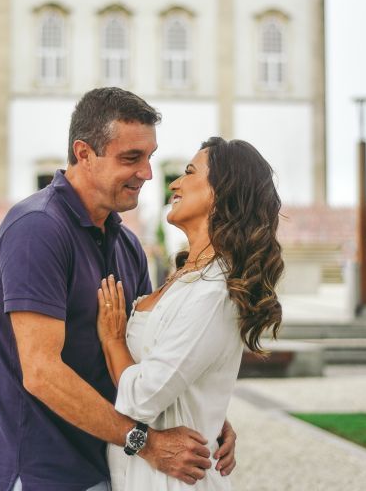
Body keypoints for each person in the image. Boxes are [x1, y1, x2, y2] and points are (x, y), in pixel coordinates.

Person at [0, 89, 237, 491]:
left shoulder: (127, 245)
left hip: (109, 468)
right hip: (41, 473)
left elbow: (150, 355)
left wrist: (207, 416)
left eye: (149, 157)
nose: (148, 174)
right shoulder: (37, 230)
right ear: (83, 154)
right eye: (130, 158)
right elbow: (41, 373)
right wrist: (144, 441)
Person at [97, 136, 285, 490]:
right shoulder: (188, 278)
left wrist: (112, 339)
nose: (174, 183)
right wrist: (212, 414)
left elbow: (140, 399)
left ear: (221, 192)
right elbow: (178, 373)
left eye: (189, 172)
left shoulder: (213, 293)